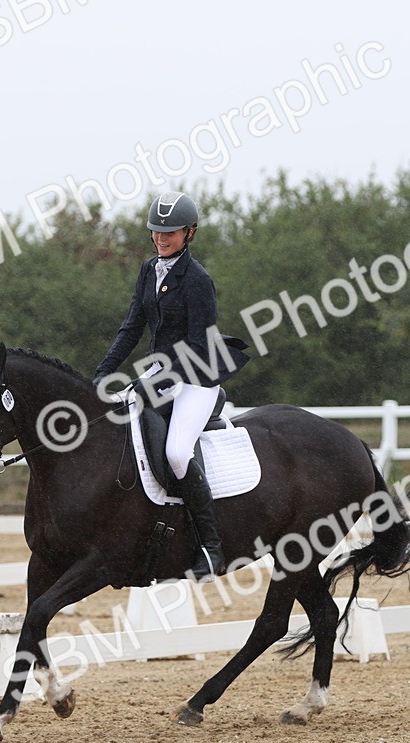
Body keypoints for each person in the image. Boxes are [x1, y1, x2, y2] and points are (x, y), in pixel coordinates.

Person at [93, 191, 249, 581]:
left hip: (197, 377)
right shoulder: (149, 270)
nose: (161, 239)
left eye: (170, 233)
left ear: (189, 233)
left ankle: (212, 549)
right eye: (156, 232)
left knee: (177, 452)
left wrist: (152, 382)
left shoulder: (197, 280)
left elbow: (199, 346)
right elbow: (132, 327)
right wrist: (103, 372)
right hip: (161, 373)